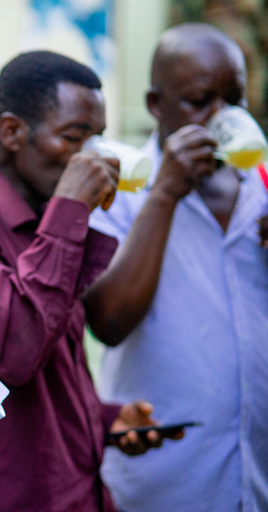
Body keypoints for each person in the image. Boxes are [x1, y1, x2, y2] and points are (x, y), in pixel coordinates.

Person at [0, 50, 177, 512]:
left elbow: (55, 366)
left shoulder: (48, 217)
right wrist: (71, 210)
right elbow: (17, 350)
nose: (93, 157)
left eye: (99, 139)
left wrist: (105, 419)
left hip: (74, 488)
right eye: (75, 138)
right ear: (12, 132)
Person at [83, 23, 268, 511]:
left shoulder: (263, 186)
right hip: (165, 481)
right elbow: (109, 322)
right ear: (154, 105)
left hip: (258, 477)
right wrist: (164, 192)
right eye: (199, 100)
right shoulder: (119, 192)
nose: (220, 118)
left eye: (235, 101)